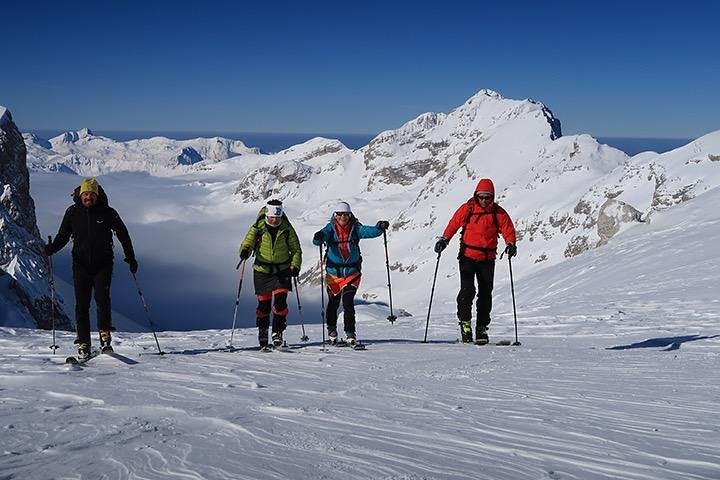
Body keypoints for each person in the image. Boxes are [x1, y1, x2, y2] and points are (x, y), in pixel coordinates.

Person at [45, 178, 137, 357]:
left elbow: (123, 235)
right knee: (81, 305)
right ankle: (84, 342)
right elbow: (63, 236)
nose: (88, 197)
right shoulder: (72, 213)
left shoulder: (108, 213)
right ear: (80, 195)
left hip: (103, 263)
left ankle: (105, 336)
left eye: (92, 194)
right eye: (85, 194)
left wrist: (131, 257)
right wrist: (52, 249)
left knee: (102, 300)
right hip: (80, 264)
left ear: (97, 195)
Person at [434, 178, 517, 344]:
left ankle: (481, 328)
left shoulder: (498, 213)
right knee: (467, 290)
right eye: (481, 197)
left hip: (488, 258)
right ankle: (465, 324)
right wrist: (444, 239)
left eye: (488, 197)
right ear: (476, 195)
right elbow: (454, 224)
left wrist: (511, 244)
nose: (484, 200)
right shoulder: (468, 209)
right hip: (467, 256)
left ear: (492, 197)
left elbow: (508, 229)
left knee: (485, 294)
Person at [312, 201, 389, 345]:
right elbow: (318, 239)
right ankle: (332, 330)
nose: (343, 217)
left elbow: (369, 231)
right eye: (340, 214)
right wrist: (318, 237)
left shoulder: (355, 228)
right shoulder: (330, 229)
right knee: (333, 303)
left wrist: (379, 228)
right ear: (335, 215)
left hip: (352, 273)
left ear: (350, 215)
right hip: (334, 274)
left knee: (348, 302)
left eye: (346, 214)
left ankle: (350, 333)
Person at [239, 200, 302, 348]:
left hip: (282, 269)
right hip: (262, 270)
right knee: (264, 306)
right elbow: (247, 243)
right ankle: (263, 330)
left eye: (277, 218)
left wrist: (295, 265)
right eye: (272, 217)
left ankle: (277, 332)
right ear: (267, 215)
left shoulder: (287, 228)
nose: (275, 220)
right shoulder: (258, 227)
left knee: (280, 303)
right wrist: (245, 251)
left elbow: (296, 249)